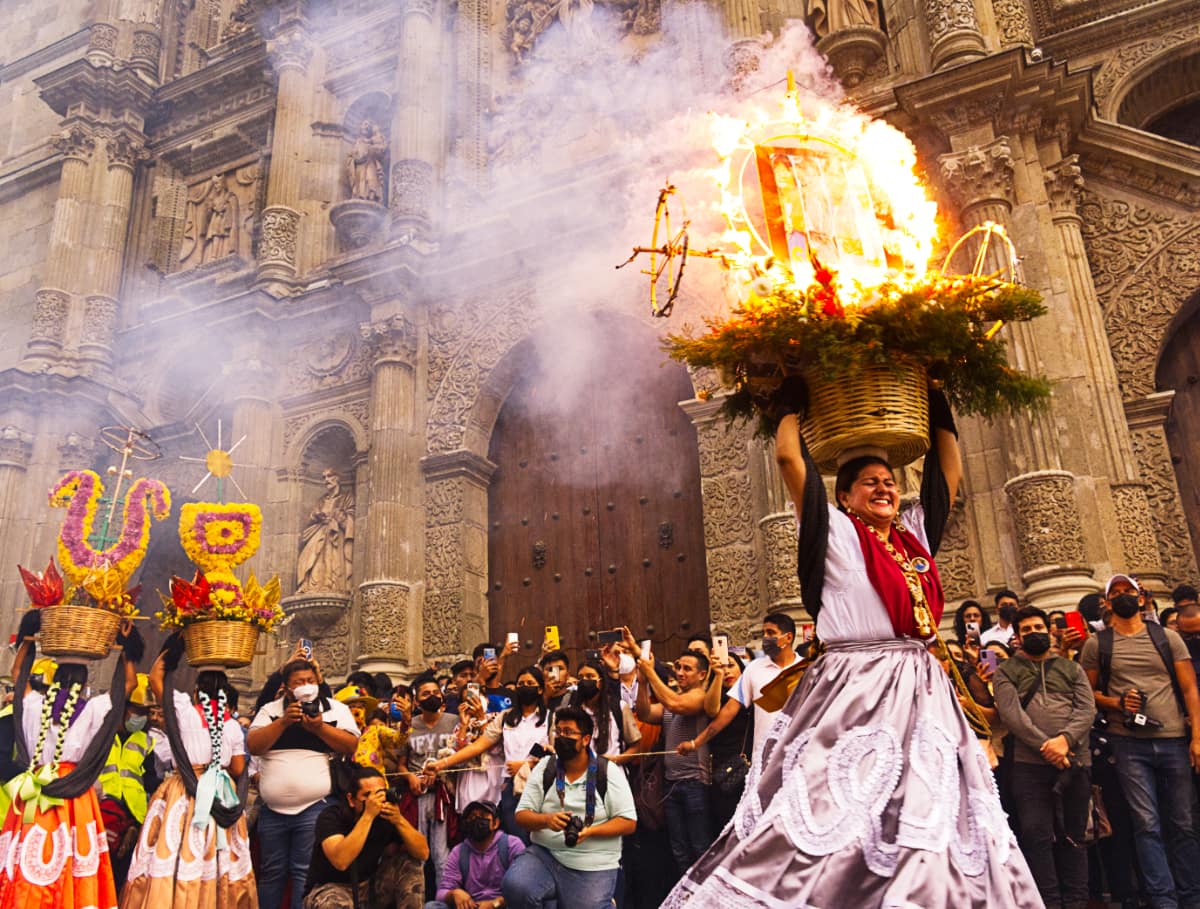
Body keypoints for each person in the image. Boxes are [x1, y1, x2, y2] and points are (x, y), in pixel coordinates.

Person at [664, 385, 1040, 906]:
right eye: (869, 484)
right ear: (845, 496)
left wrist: (937, 402)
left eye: (889, 482)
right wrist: (789, 399)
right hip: (855, 687)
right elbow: (789, 460)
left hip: (922, 689)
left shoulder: (913, 538)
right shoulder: (835, 531)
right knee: (833, 812)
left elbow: (947, 476)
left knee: (928, 810)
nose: (883, 489)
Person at [0, 611, 142, 909]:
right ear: (85, 681)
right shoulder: (93, 710)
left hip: (34, 793)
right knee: (71, 861)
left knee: (29, 861)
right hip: (75, 799)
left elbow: (17, 675)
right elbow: (127, 685)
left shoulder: (35, 703)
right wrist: (127, 649)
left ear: (53, 678)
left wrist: (28, 636)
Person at [1080, 573, 1200, 909]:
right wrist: (1117, 703)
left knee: (1183, 822)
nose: (1122, 596)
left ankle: (1191, 897)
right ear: (1106, 602)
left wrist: (1197, 739)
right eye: (1115, 593)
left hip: (1174, 738)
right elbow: (1088, 694)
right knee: (1146, 824)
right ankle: (1163, 900)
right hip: (1128, 743)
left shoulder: (1168, 638)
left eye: (1127, 591)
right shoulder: (1097, 645)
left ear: (1141, 597)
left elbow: (1190, 689)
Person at [121, 638, 257, 908]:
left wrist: (179, 639)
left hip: (182, 792)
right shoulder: (231, 726)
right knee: (218, 862)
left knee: (174, 855)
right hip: (221, 795)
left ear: (196, 693)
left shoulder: (184, 711)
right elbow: (239, 769)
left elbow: (155, 675)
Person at [993, 606, 1096, 909]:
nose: (1034, 633)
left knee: (1075, 835)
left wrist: (1064, 741)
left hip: (1075, 761)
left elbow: (1086, 709)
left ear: (1049, 631)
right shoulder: (1005, 672)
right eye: (1026, 630)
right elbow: (1013, 718)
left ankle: (1076, 900)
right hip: (1029, 767)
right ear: (1017, 636)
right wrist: (1049, 747)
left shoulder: (1071, 669)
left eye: (1038, 627)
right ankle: (1048, 902)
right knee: (1036, 834)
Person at [248, 657, 361, 909]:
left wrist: (320, 729)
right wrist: (284, 722)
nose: (306, 685)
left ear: (318, 682)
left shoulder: (335, 709)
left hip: (314, 807)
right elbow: (254, 745)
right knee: (271, 873)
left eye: (310, 681)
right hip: (273, 811)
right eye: (299, 682)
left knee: (303, 871)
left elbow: (351, 745)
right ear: (287, 689)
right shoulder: (270, 710)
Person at [504, 707, 638, 908]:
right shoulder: (545, 767)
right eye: (558, 732)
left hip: (592, 863)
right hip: (545, 854)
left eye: (568, 732)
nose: (561, 737)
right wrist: (547, 820)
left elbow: (629, 822)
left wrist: (591, 831)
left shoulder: (607, 771)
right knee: (516, 886)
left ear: (585, 739)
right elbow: (521, 815)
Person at [426, 666, 551, 841]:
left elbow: (556, 754)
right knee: (515, 840)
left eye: (530, 683)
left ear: (539, 689)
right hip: (511, 788)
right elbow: (478, 746)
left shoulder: (551, 718)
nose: (525, 686)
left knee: (542, 838)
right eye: (521, 683)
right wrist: (441, 764)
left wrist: (527, 765)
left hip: (542, 784)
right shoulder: (505, 717)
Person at [634, 646, 714, 878]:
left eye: (687, 669)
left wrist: (650, 672)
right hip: (671, 783)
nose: (679, 672)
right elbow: (646, 713)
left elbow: (675, 705)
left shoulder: (700, 696)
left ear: (702, 675)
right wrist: (641, 683)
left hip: (694, 783)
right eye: (678, 666)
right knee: (679, 850)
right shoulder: (673, 698)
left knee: (700, 847)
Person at [304, 763, 429, 909]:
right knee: (334, 903)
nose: (374, 801)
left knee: (409, 863)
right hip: (331, 889)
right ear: (351, 799)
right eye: (367, 795)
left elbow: (423, 853)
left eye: (380, 793)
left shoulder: (386, 817)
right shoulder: (332, 816)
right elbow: (341, 861)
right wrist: (368, 816)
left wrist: (399, 820)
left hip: (369, 887)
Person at [682, 612, 801, 762]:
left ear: (788, 637)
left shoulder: (807, 669)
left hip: (798, 756)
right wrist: (695, 743)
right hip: (764, 760)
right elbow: (728, 712)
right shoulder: (754, 669)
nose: (765, 638)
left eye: (770, 633)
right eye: (763, 632)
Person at [98, 673, 161, 890]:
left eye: (146, 712)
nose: (142, 716)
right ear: (123, 708)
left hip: (132, 817)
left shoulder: (146, 740)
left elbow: (150, 781)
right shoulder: (102, 734)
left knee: (121, 879)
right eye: (138, 710)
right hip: (102, 811)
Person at [398, 676, 461, 886]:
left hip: (444, 796)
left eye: (435, 693)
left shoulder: (453, 721)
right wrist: (410, 778)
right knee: (418, 854)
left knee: (441, 854)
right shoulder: (409, 725)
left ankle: (442, 899)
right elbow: (401, 764)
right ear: (417, 702)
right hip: (418, 796)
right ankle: (418, 899)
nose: (432, 697)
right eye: (426, 694)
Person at [425, 799, 524, 909]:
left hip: (502, 905)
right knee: (431, 906)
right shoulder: (459, 852)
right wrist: (454, 894)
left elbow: (523, 890)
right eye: (471, 817)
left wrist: (495, 904)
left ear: (495, 823)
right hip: (472, 906)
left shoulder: (511, 845)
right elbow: (441, 893)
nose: (476, 820)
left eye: (482, 816)